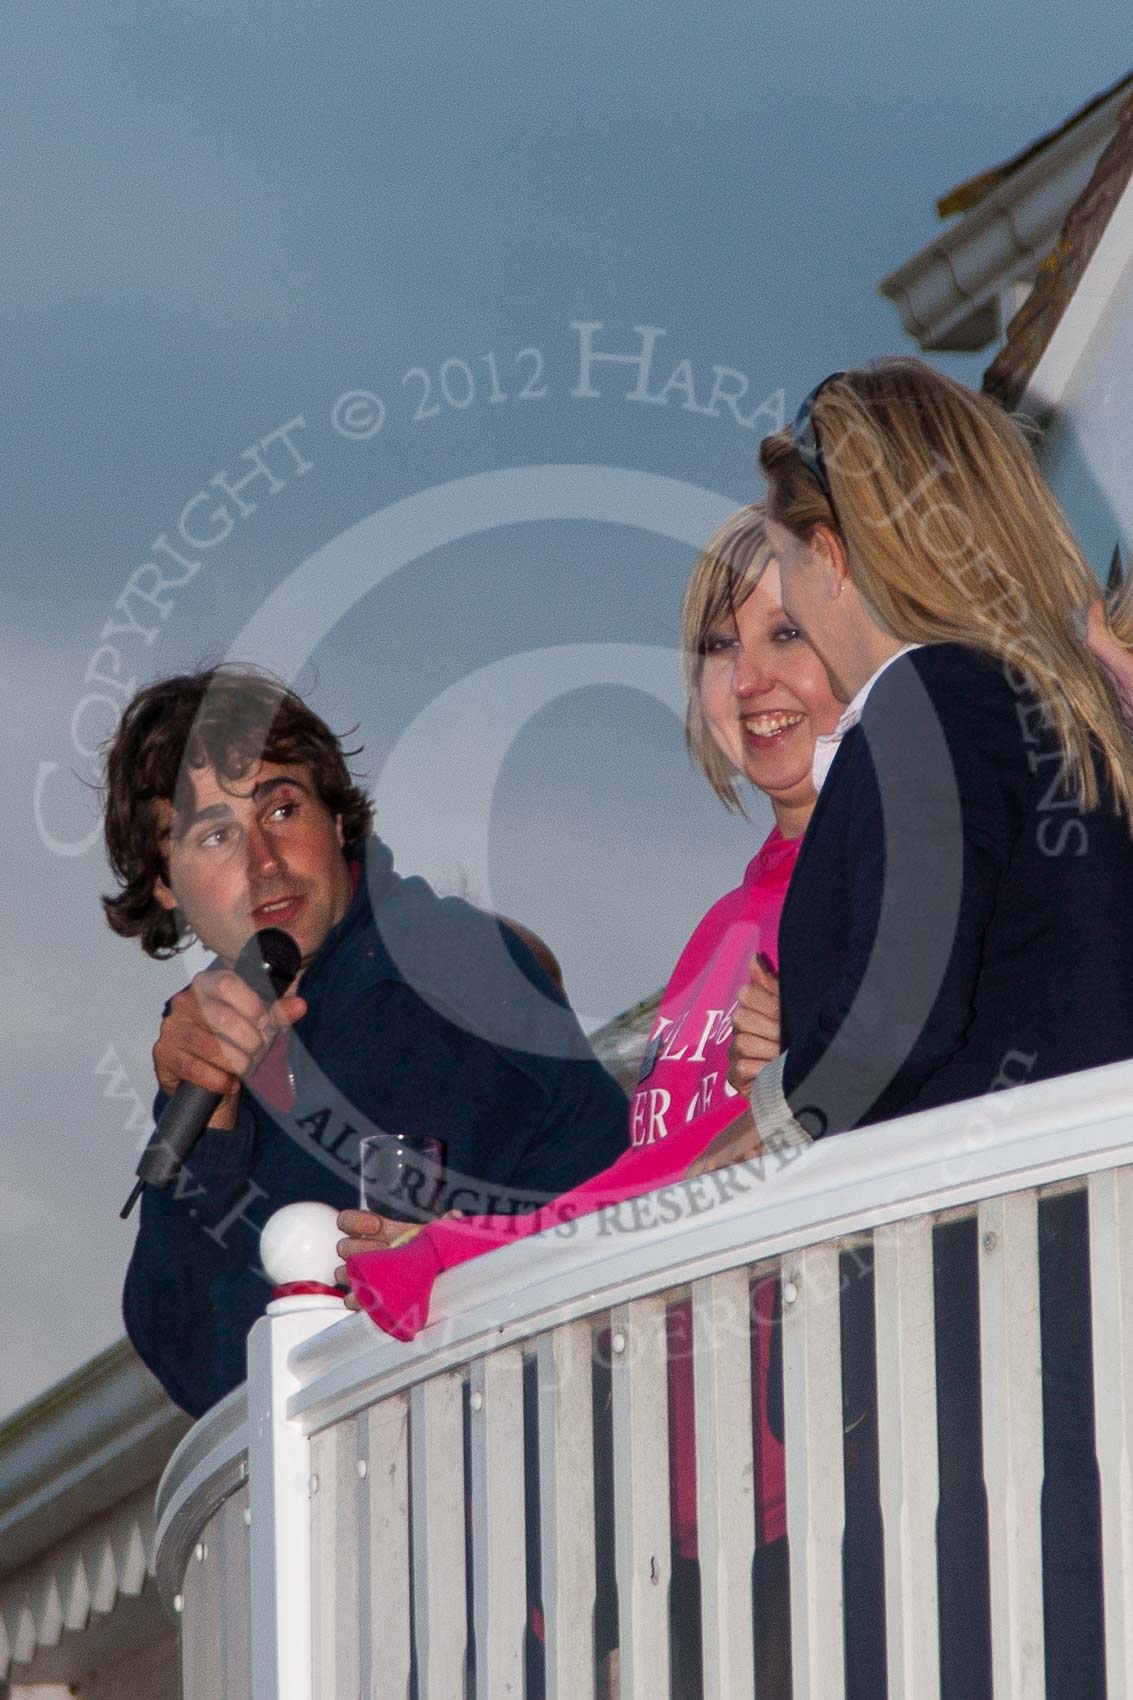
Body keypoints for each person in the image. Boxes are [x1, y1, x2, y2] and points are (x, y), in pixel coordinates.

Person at [340, 505, 844, 1694]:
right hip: (680, 1514)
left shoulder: (865, 894)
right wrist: (451, 1238)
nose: (752, 677)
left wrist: (458, 1249)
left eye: (788, 633)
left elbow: (741, 1158)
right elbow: (636, 1181)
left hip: (818, 1483)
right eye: (720, 649)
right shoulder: (722, 926)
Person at [707, 359, 1133, 1700]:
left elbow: (900, 1013)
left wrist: (758, 1126)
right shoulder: (1053, 710)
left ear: (834, 553)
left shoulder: (935, 700)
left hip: (995, 1341)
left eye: (789, 571)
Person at [103, 667, 630, 1419]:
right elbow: (194, 1366)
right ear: (163, 884)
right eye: (216, 835)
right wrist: (209, 1131)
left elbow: (347, 1317)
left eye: (282, 808)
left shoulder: (447, 972)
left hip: (547, 1464)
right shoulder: (206, 1054)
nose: (264, 862)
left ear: (338, 820)